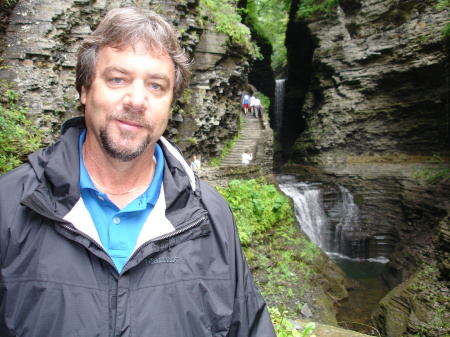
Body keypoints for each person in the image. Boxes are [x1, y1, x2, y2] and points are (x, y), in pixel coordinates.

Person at [0, 8, 276, 337]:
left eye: (156, 86)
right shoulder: (10, 206)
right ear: (85, 89)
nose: (137, 100)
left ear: (171, 104)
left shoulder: (211, 218)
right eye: (118, 79)